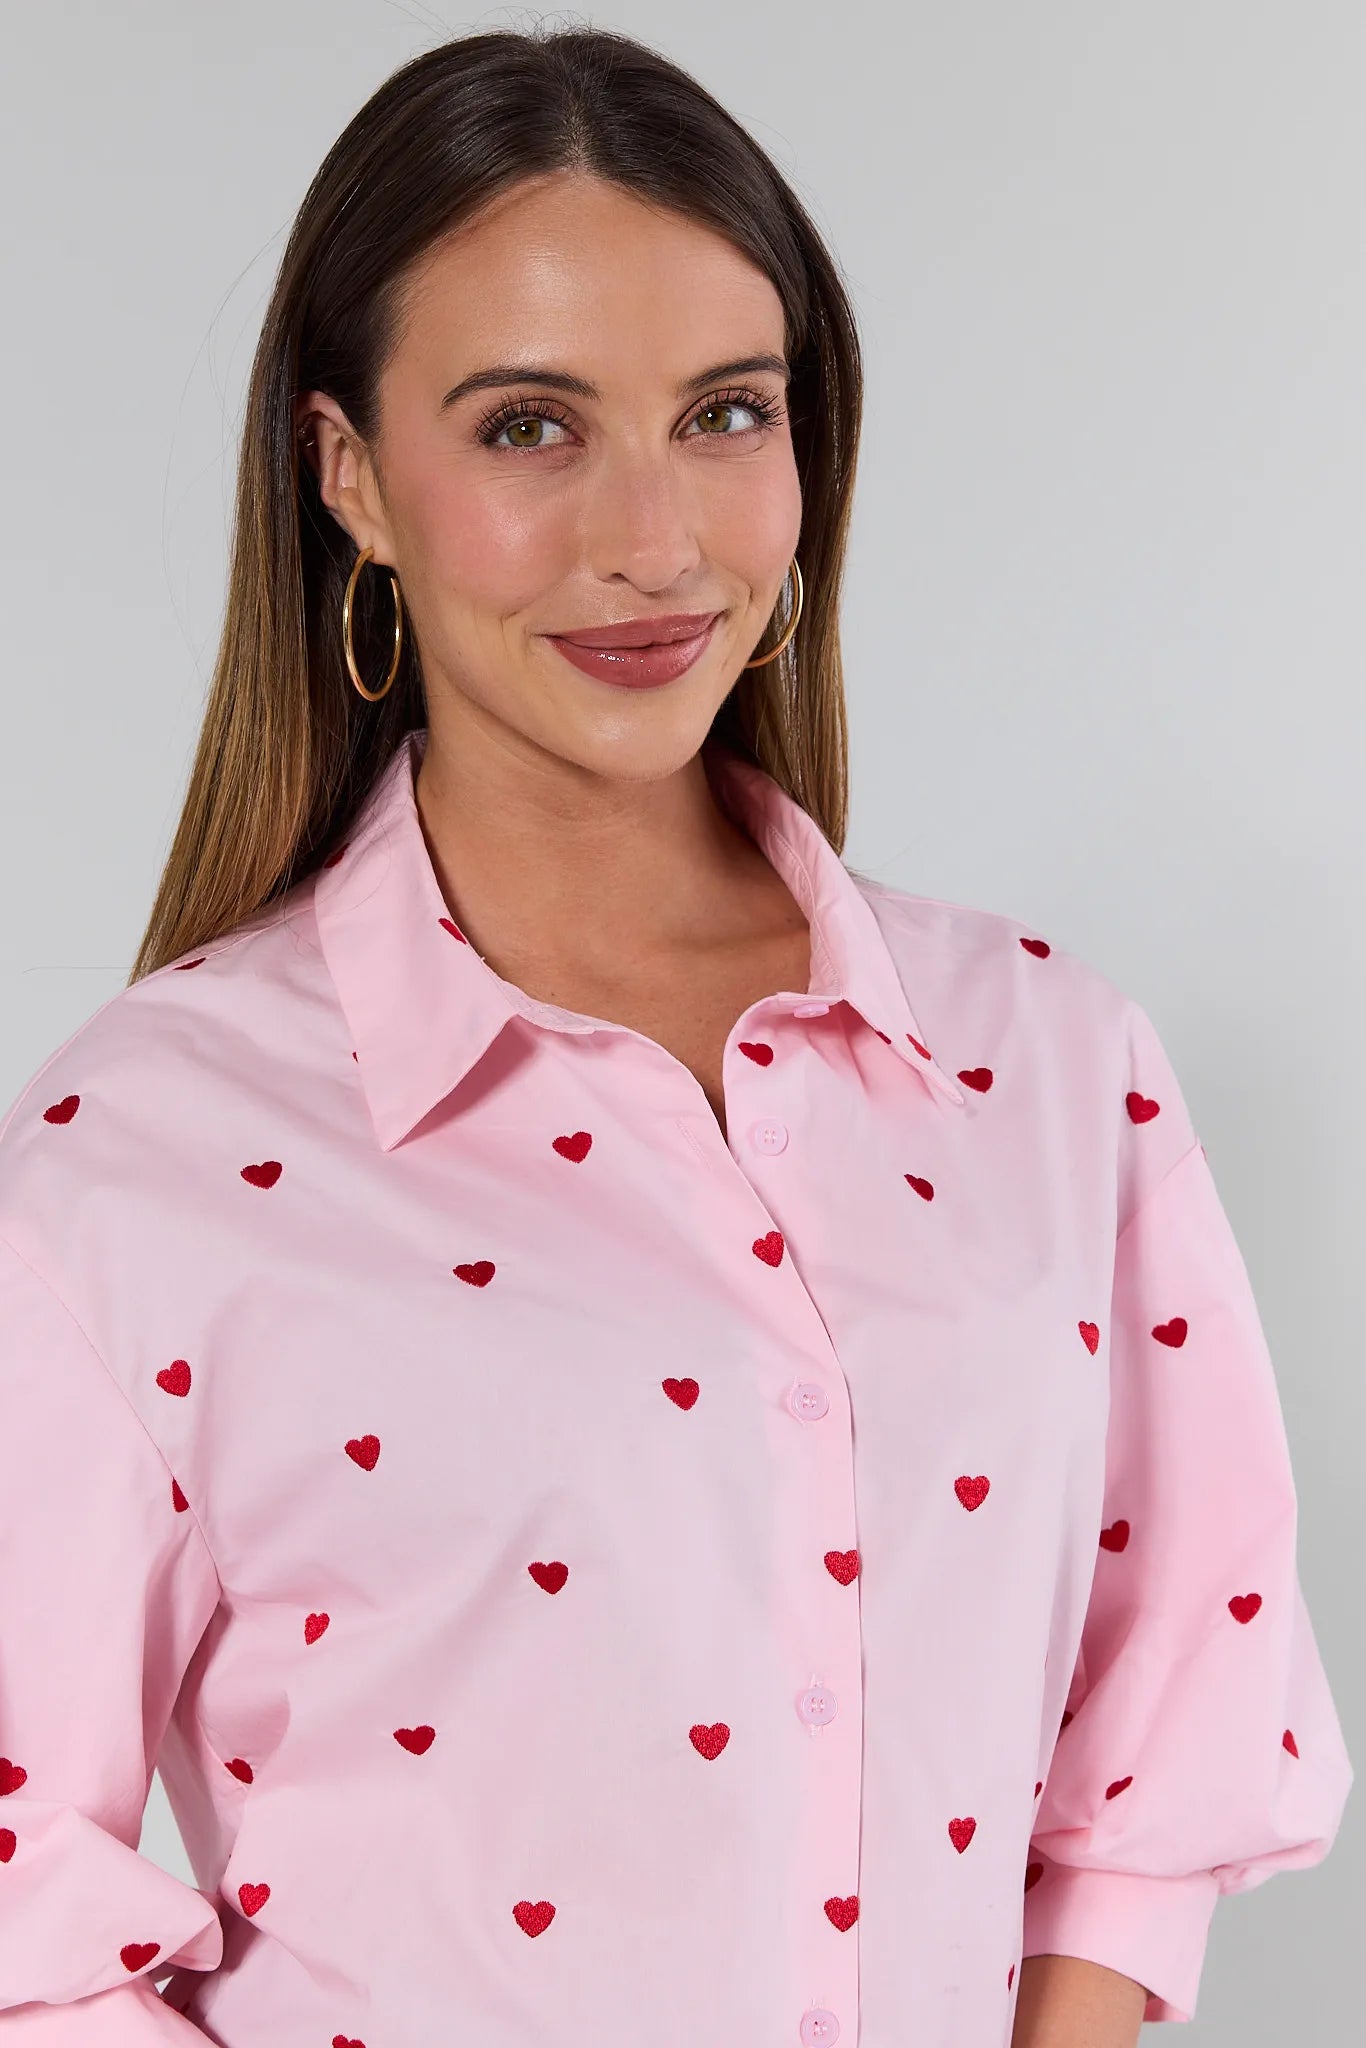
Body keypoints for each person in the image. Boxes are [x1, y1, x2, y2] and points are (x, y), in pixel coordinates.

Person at [0, 25, 1352, 2048]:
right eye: (529, 429)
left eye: (725, 413)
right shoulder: (143, 1152)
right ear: (347, 472)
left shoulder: (1052, 1064)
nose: (654, 541)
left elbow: (1165, 1734)